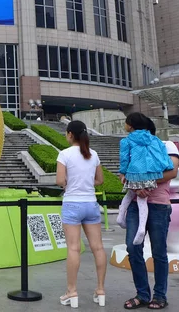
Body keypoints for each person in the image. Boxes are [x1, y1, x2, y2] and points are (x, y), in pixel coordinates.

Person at [122, 113, 179, 310]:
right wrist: (135, 186)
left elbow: (172, 171)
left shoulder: (166, 145)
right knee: (132, 247)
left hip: (159, 204)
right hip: (135, 204)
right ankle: (142, 294)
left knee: (159, 252)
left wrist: (145, 183)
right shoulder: (131, 144)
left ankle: (160, 295)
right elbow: (124, 171)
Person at [56, 120, 107, 309]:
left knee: (73, 248)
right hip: (91, 204)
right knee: (98, 248)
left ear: (70, 134)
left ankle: (72, 292)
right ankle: (100, 290)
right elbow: (100, 180)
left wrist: (70, 183)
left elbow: (60, 180)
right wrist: (86, 183)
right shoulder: (93, 154)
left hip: (72, 204)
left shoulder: (64, 154)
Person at [117, 113, 174, 246]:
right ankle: (141, 226)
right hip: (152, 173)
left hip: (134, 173)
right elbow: (164, 159)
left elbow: (124, 159)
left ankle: (122, 217)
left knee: (132, 194)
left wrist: (123, 172)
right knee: (142, 199)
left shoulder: (126, 140)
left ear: (130, 125)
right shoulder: (155, 139)